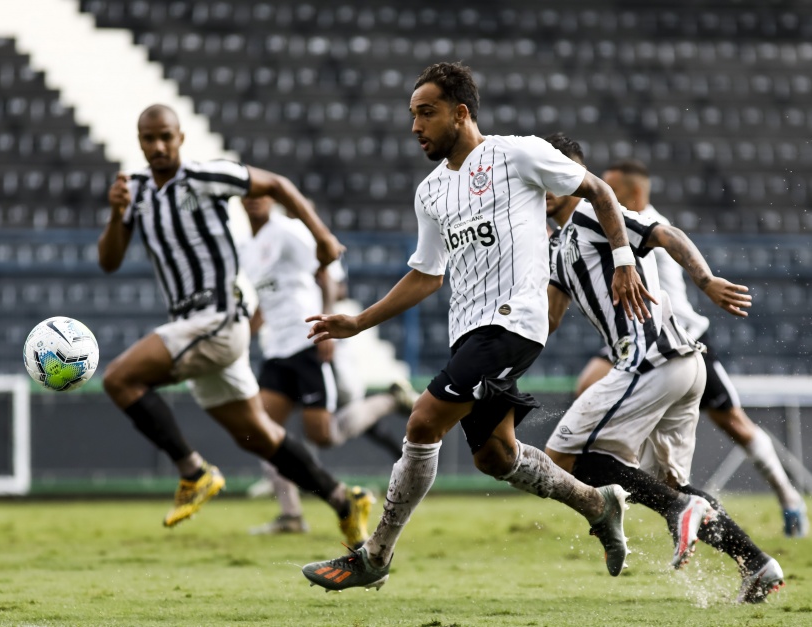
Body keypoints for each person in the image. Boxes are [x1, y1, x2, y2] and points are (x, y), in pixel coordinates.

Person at [300, 62, 656, 592]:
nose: (415, 126)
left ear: (460, 113)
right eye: (412, 115)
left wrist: (624, 259)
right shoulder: (430, 193)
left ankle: (375, 555)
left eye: (427, 113)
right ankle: (596, 502)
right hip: (470, 332)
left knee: (422, 422)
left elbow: (600, 191)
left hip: (514, 324)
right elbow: (425, 276)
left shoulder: (518, 153)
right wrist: (359, 321)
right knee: (496, 457)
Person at [97, 104, 373, 547]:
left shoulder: (205, 176)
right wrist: (114, 214)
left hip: (218, 319)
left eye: (166, 136)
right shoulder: (135, 192)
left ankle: (193, 472)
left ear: (181, 137)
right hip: (193, 330)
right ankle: (344, 500)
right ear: (140, 142)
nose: (159, 146)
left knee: (119, 379)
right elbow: (108, 262)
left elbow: (277, 184)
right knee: (258, 436)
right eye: (149, 139)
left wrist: (321, 235)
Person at [542, 133, 784, 603]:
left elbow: (664, 233)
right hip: (681, 363)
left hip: (652, 358)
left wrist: (706, 279)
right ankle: (756, 563)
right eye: (540, 177)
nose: (546, 187)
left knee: (563, 458)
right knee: (667, 484)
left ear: (577, 177)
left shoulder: (594, 214)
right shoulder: (559, 245)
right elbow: (547, 321)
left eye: (558, 176)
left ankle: (679, 509)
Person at [574, 159, 808, 539]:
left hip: (682, 340)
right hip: (637, 340)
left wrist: (707, 279)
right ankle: (638, 481)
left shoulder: (641, 220)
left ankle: (789, 498)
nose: (602, 195)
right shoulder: (604, 221)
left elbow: (668, 238)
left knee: (735, 424)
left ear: (633, 193)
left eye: (611, 189)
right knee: (588, 385)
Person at [238, 195, 417, 534]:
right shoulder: (248, 248)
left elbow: (327, 270)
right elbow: (266, 298)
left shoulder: (289, 230)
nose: (253, 201)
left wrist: (329, 330)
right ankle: (291, 515)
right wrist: (243, 335)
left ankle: (391, 399)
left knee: (324, 436)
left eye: (260, 193)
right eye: (247, 194)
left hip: (307, 343)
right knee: (260, 432)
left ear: (272, 197)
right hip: (277, 350)